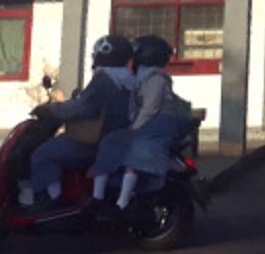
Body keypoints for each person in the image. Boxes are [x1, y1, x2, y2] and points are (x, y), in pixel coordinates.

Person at [25, 34, 135, 212]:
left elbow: (83, 108)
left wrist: (53, 109)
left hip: (96, 141)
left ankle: (53, 203)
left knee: (43, 154)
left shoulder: (105, 79)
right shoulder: (127, 78)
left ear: (102, 55)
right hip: (116, 138)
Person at [90, 35, 192, 218]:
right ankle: (97, 198)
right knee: (110, 141)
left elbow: (150, 108)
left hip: (160, 123)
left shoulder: (156, 78)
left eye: (137, 51)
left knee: (135, 149)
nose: (133, 54)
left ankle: (122, 202)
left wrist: (133, 128)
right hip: (146, 123)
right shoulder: (140, 75)